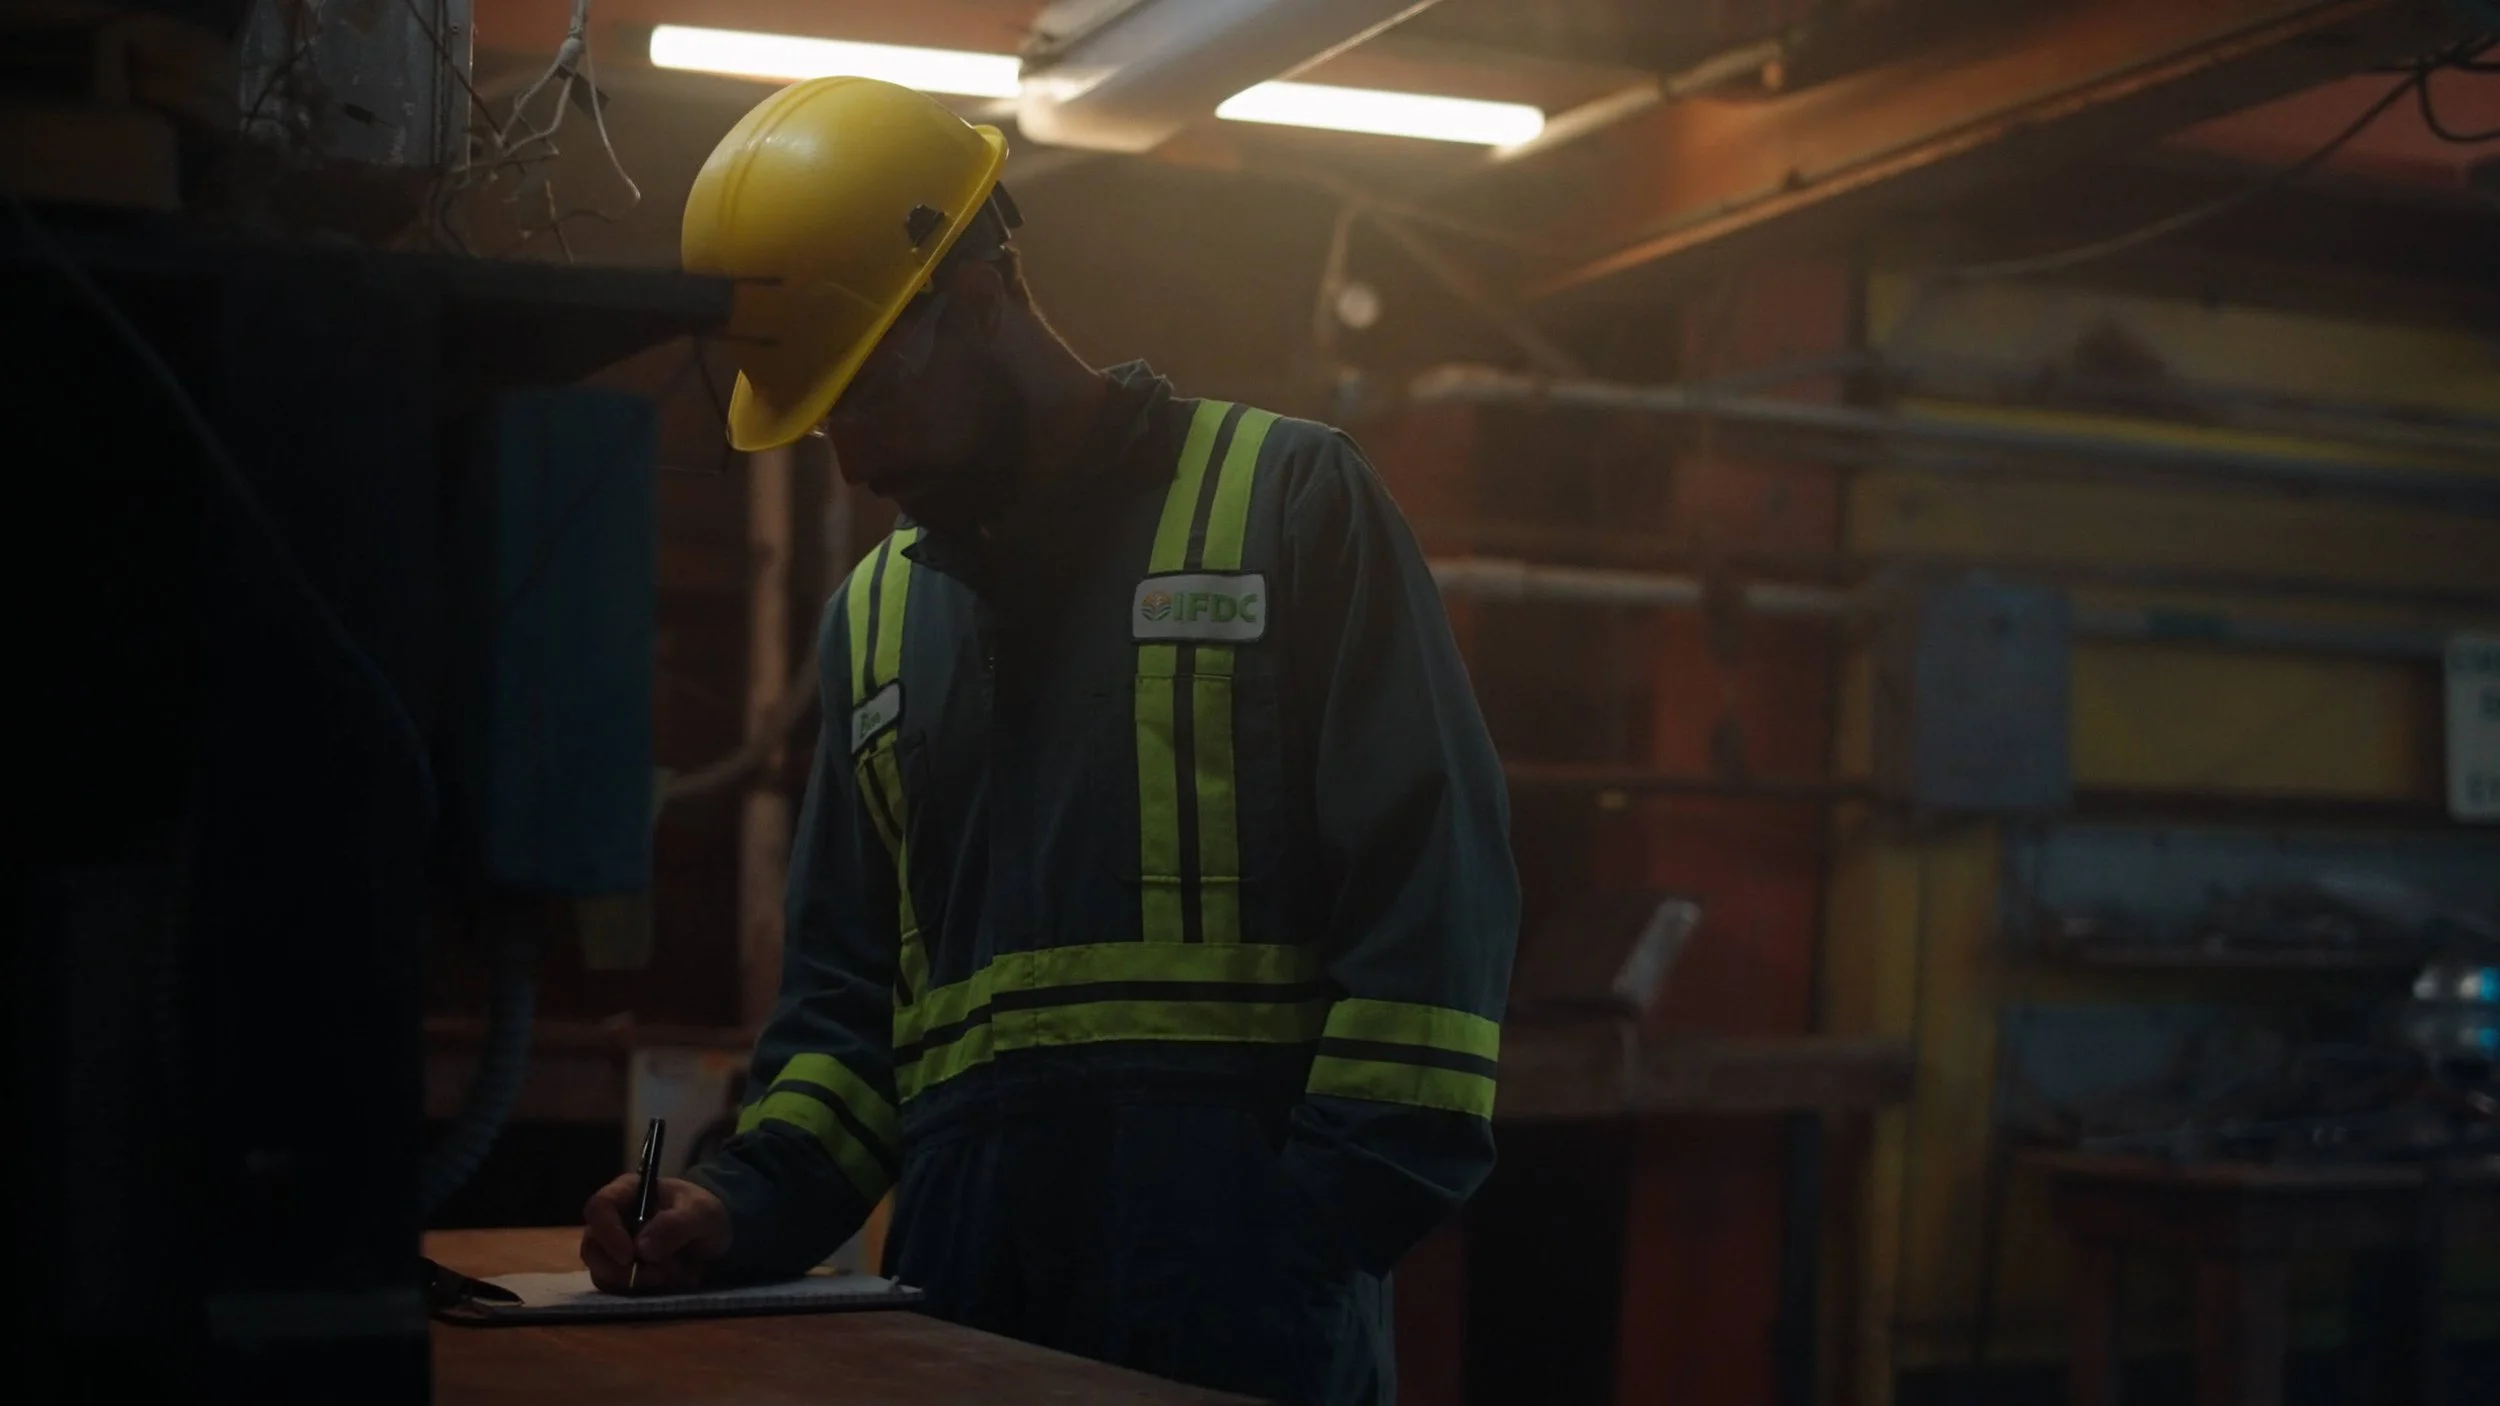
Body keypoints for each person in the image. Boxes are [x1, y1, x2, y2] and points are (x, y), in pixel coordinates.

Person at [580, 77, 1517, 1406]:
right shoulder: (881, 619)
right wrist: (732, 1201)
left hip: (1238, 1318)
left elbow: (1435, 907)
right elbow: (852, 1011)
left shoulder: (1289, 506)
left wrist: (1311, 1233)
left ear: (980, 290)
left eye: (860, 394)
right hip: (963, 1310)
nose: (849, 461)